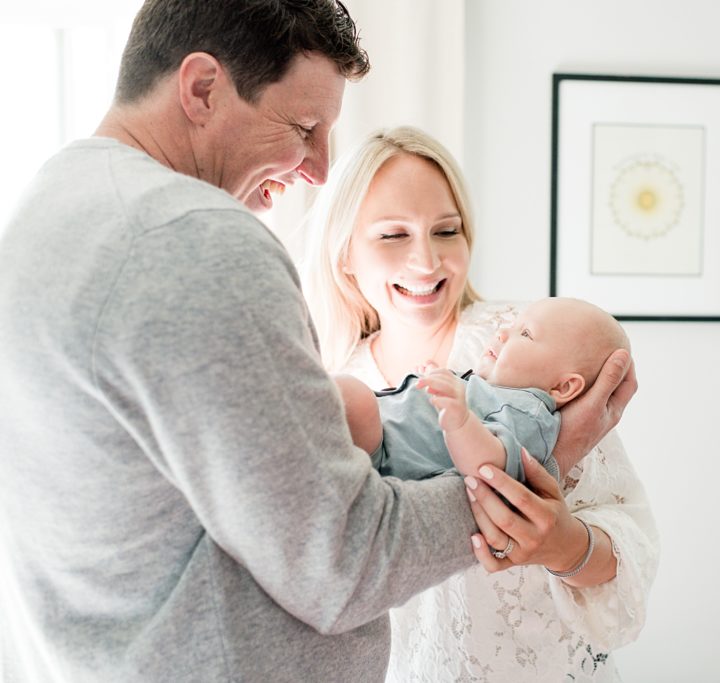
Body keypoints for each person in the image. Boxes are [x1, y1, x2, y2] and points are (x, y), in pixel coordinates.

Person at [0, 3, 635, 682]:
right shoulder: (193, 240)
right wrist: (535, 465)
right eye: (303, 127)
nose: (319, 168)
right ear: (203, 89)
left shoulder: (46, 211)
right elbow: (342, 563)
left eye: (444, 229)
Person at [301, 125, 658, 682]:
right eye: (393, 235)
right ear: (345, 253)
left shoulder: (530, 349)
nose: (427, 261)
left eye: (447, 231)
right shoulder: (332, 390)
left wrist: (567, 546)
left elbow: (630, 541)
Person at [336, 297, 630, 487]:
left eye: (525, 334)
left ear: (562, 387)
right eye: (512, 326)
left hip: (385, 462)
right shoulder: (495, 393)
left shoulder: (529, 415)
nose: (502, 333)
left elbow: (494, 466)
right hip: (376, 444)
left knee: (351, 396)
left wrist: (460, 421)